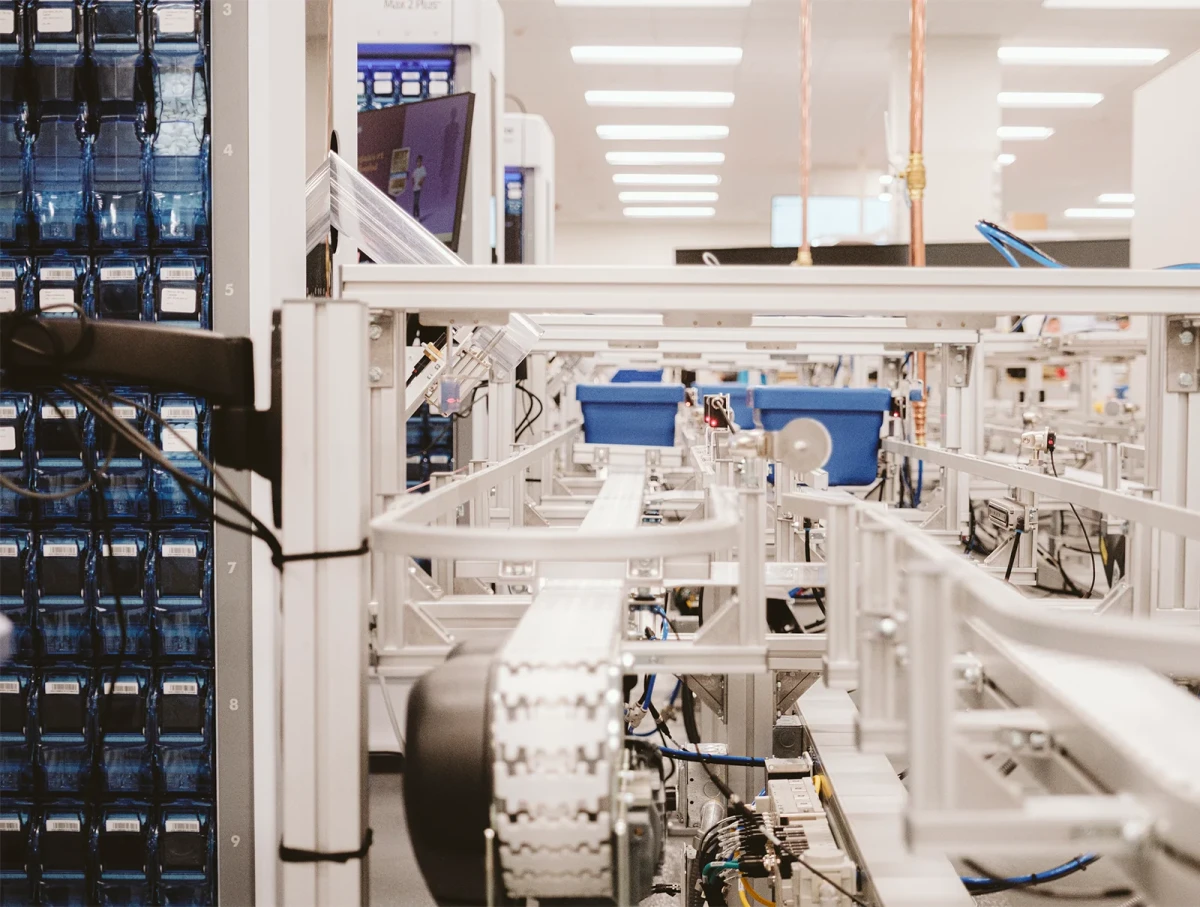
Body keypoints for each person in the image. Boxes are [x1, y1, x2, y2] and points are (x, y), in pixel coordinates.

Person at [412, 154, 427, 220]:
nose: (418, 163)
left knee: (416, 202)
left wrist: (421, 182)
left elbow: (423, 176)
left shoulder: (422, 168)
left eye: (419, 161)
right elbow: (412, 177)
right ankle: (414, 216)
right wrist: (413, 183)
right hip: (415, 188)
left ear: (421, 162)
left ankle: (417, 216)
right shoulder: (415, 170)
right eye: (417, 161)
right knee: (414, 203)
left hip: (418, 188)